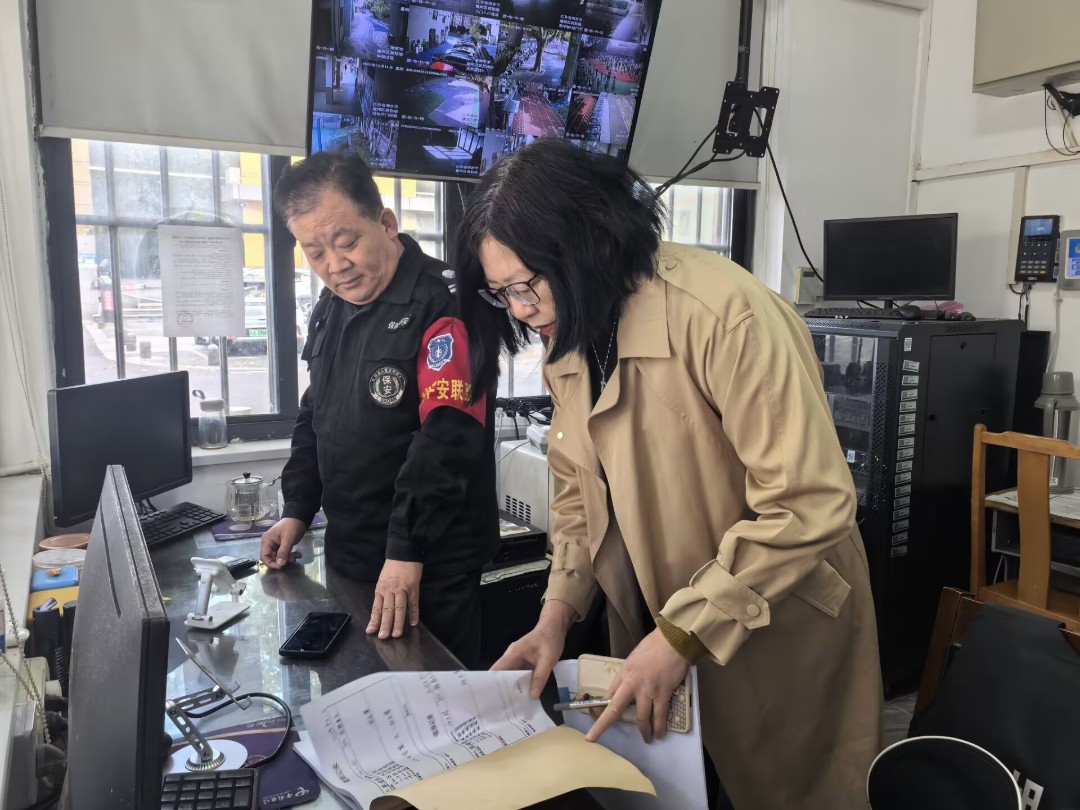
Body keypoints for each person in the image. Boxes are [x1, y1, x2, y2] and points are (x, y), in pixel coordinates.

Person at [455, 138, 882, 810]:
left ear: (591, 245)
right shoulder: (570, 338)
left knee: (787, 792)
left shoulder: (723, 313)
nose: (521, 310)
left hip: (777, 625)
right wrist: (555, 616)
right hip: (661, 628)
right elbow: (577, 498)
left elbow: (808, 502)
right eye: (502, 292)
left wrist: (684, 630)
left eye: (529, 284)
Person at [261, 149, 498, 667]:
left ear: (386, 224)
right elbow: (316, 414)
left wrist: (406, 549)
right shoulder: (332, 307)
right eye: (315, 253)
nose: (335, 266)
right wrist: (298, 509)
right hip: (351, 554)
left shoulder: (446, 304)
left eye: (346, 243)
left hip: (427, 566)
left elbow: (448, 438)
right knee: (356, 692)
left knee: (434, 704)